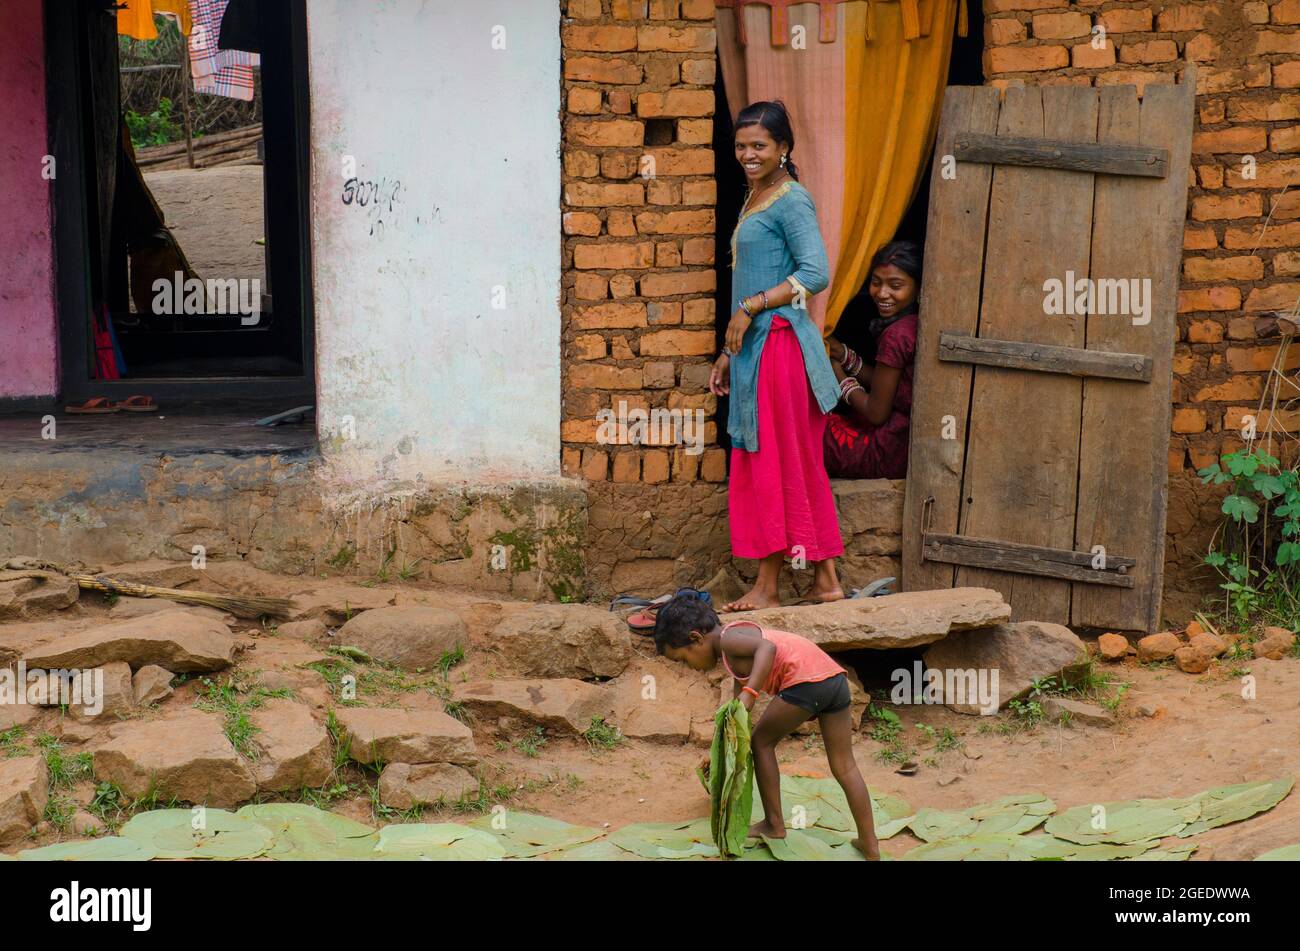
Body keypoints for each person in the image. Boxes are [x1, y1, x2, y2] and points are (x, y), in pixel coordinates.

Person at [709, 101, 844, 611]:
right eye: (741, 146)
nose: (748, 154)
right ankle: (826, 580)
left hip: (782, 346)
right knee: (790, 459)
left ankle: (768, 588)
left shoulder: (791, 200)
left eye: (759, 146)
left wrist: (751, 307)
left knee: (774, 458)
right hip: (754, 350)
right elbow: (749, 281)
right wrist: (728, 350)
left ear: (783, 148)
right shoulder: (754, 197)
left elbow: (815, 273)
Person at [653, 593, 880, 860]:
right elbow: (738, 717)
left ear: (696, 638)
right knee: (845, 765)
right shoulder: (733, 652)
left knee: (762, 743)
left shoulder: (728, 638)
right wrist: (721, 753)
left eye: (683, 658)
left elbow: (767, 649)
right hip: (832, 681)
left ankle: (774, 824)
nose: (689, 666)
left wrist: (751, 692)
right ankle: (870, 843)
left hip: (806, 681)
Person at [823, 241, 922, 480]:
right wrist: (844, 355)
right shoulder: (912, 324)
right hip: (904, 445)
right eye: (876, 282)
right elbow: (887, 385)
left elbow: (876, 412)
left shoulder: (897, 336)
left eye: (895, 285)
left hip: (886, 451)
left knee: (803, 431)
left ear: (919, 288)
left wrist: (838, 375)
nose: (882, 293)